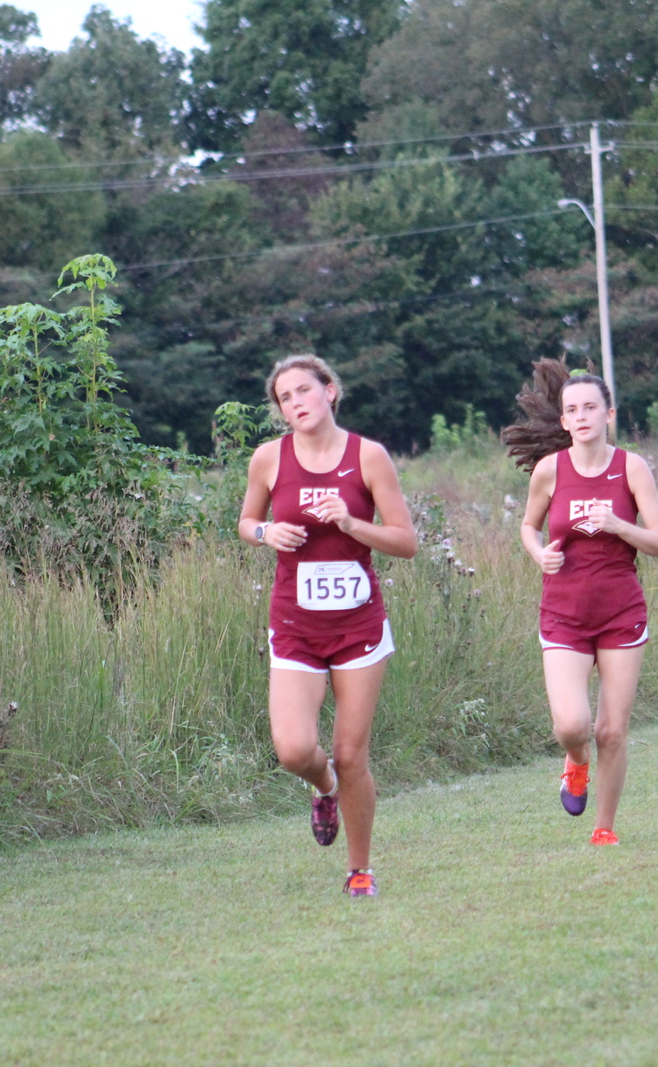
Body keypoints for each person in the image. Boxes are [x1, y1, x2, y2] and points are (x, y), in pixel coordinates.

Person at [239, 355, 418, 899]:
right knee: (294, 749)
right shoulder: (269, 459)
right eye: (285, 398)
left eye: (304, 391)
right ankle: (324, 788)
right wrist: (267, 532)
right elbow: (246, 522)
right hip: (294, 622)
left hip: (358, 626)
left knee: (350, 752)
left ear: (330, 391)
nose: (296, 403)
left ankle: (358, 868)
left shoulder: (369, 456)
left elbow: (406, 542)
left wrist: (350, 523)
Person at [507, 363, 658, 847]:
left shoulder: (632, 468)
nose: (581, 417)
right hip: (564, 614)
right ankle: (575, 762)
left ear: (609, 414)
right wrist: (540, 553)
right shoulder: (549, 470)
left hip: (621, 611)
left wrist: (620, 525)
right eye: (572, 410)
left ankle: (604, 828)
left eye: (590, 408)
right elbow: (527, 527)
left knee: (612, 732)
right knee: (572, 725)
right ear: (563, 420)